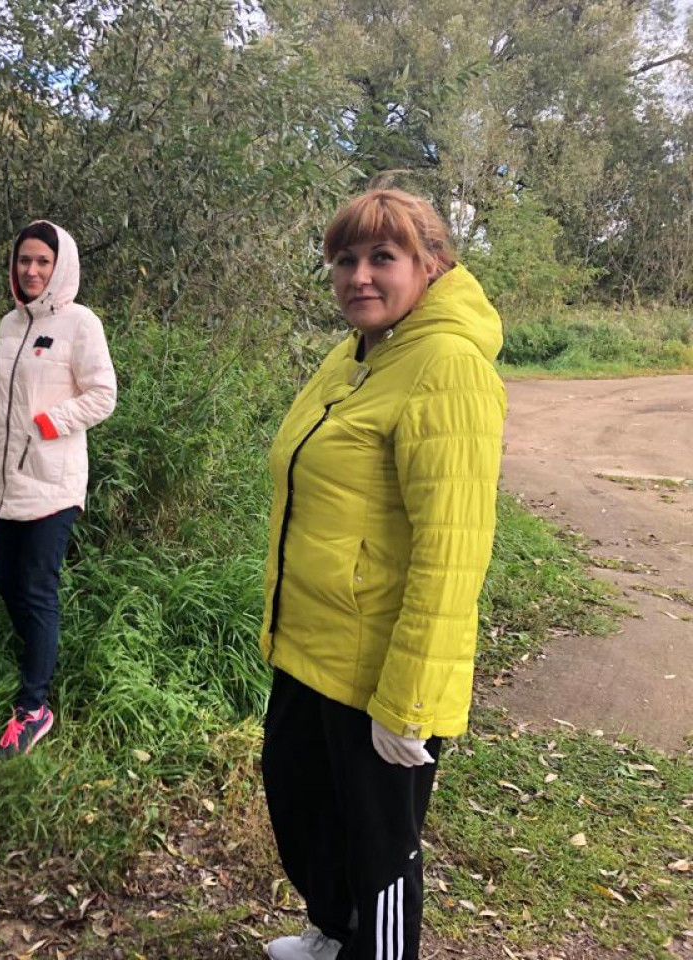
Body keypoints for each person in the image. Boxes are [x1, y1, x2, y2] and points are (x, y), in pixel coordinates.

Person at [257, 189, 506, 960]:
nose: (358, 276)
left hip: (383, 672)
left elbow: (452, 549)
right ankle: (334, 933)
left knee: (380, 849)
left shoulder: (448, 367)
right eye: (345, 259)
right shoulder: (356, 353)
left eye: (382, 257)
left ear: (431, 265)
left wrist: (410, 701)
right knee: (301, 806)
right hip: (312, 647)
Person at [0, 220, 116, 759]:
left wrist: (47, 423)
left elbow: (102, 395)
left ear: (61, 267)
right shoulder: (10, 324)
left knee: (36, 590)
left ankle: (34, 708)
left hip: (53, 483)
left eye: (43, 261)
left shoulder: (80, 324)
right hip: (4, 478)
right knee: (7, 582)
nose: (31, 270)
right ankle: (37, 654)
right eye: (24, 260)